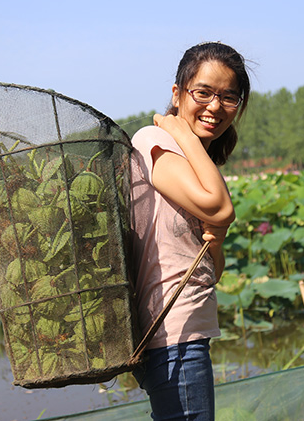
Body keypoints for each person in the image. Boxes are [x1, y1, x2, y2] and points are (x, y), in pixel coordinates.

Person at [130, 41, 251, 420]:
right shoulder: (156, 141)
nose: (215, 107)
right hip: (172, 335)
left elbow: (211, 270)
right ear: (178, 93)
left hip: (190, 332)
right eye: (203, 93)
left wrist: (218, 240)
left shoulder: (196, 160)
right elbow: (221, 207)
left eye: (229, 98)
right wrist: (179, 132)